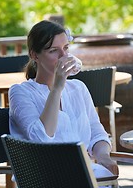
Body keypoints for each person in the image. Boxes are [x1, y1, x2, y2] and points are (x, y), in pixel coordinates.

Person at [9, 20, 119, 179]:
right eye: (54, 51)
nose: (64, 56)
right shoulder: (20, 92)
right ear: (34, 55)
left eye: (66, 48)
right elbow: (40, 138)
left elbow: (96, 133)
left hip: (83, 174)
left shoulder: (78, 88)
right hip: (44, 178)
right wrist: (57, 88)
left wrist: (103, 156)